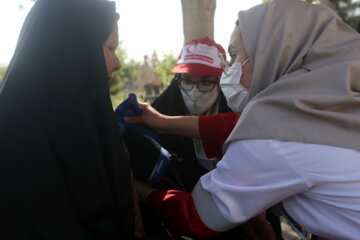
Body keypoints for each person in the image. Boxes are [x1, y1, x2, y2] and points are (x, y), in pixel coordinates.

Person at [128, 0, 360, 239]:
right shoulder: (336, 106)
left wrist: (140, 189)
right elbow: (225, 127)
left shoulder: (274, 135)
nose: (228, 68)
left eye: (233, 55)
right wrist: (162, 121)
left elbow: (197, 217)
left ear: (271, 54)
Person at [0, 0, 136, 239]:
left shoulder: (70, 120)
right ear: (75, 51)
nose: (117, 64)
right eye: (110, 49)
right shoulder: (21, 143)